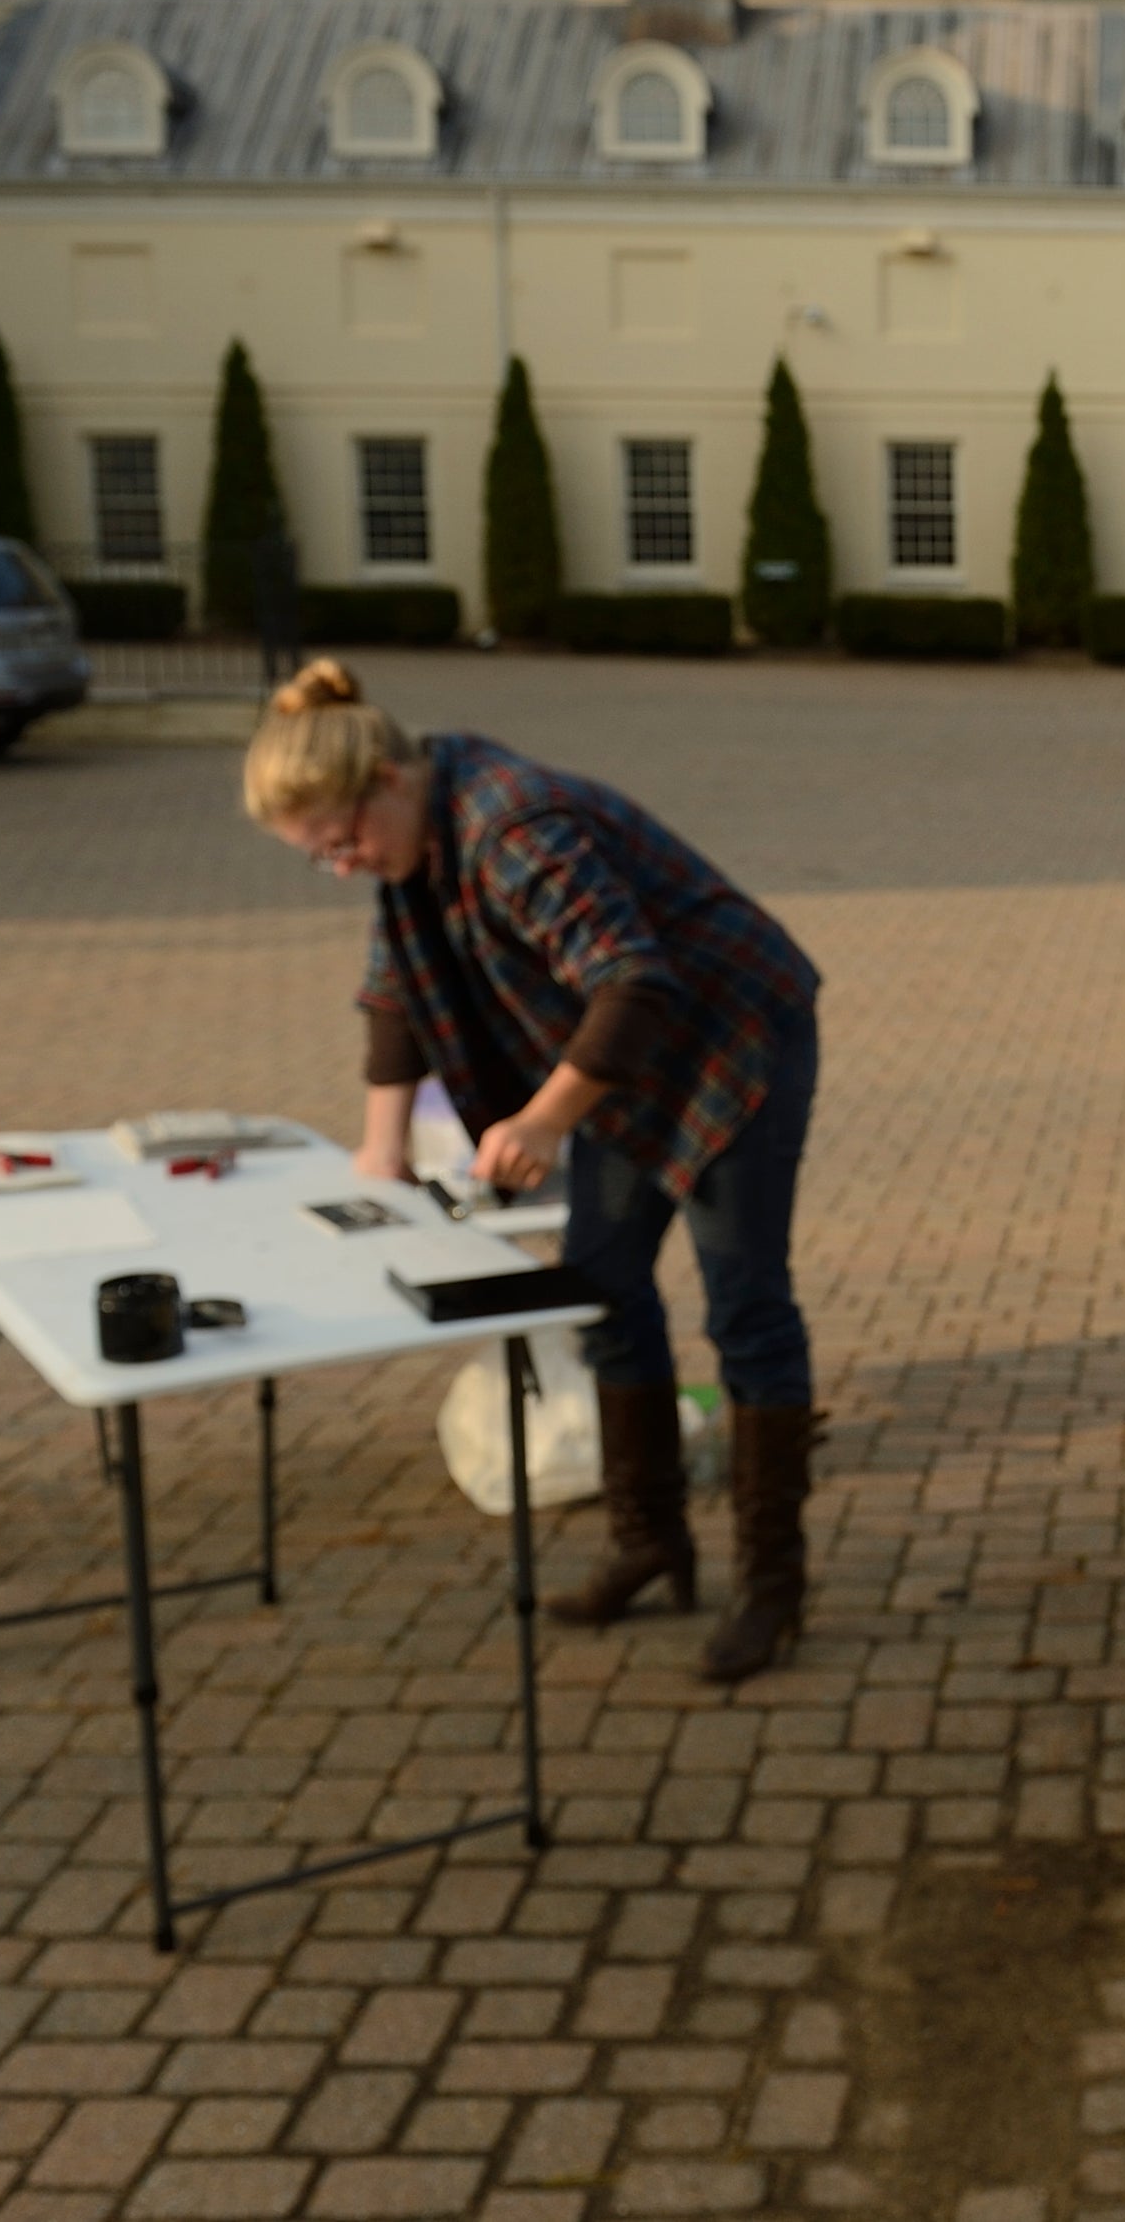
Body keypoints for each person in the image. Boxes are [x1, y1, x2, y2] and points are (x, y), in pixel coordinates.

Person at [242, 660, 824, 1681]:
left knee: (744, 1309)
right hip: (621, 1056)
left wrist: (547, 1118)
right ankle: (650, 1541)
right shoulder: (414, 840)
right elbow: (394, 993)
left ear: (384, 780)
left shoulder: (512, 829)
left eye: (342, 843)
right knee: (601, 1282)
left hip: (730, 1039)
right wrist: (379, 1147)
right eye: (317, 857)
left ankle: (772, 1585)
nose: (343, 865)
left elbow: (631, 974)